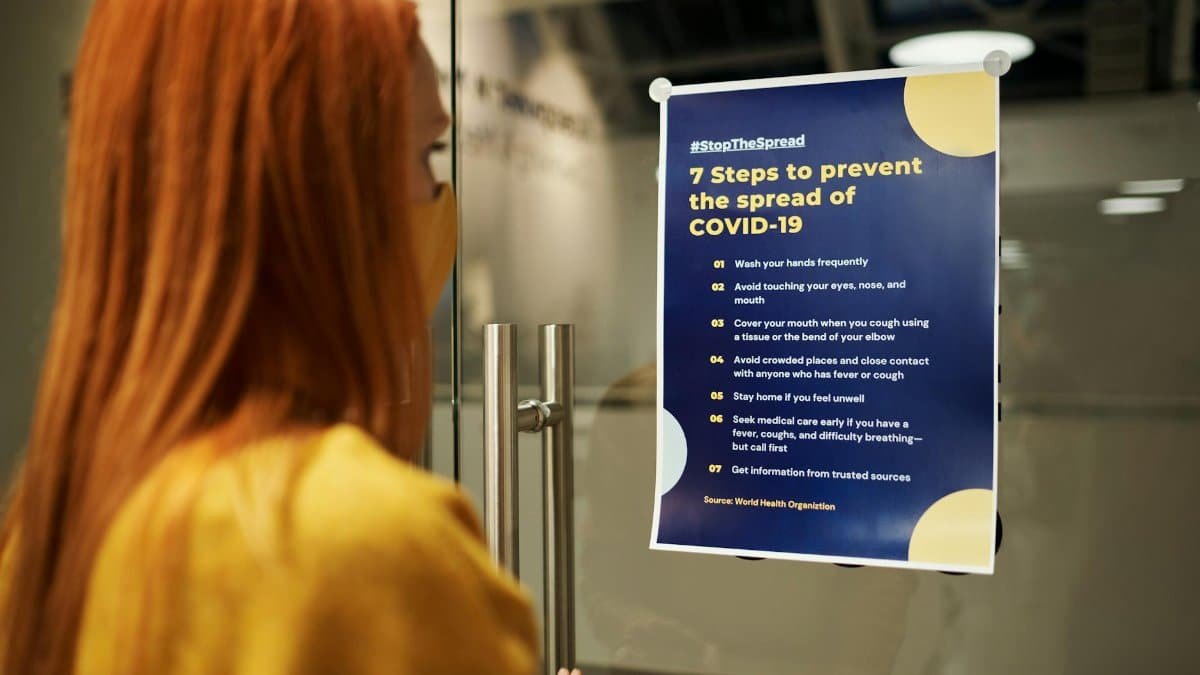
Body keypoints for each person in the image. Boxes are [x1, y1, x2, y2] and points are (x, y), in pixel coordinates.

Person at [0, 1, 576, 674]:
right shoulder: (366, 549)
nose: (437, 194)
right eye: (426, 151)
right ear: (319, 187)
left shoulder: (39, 538)